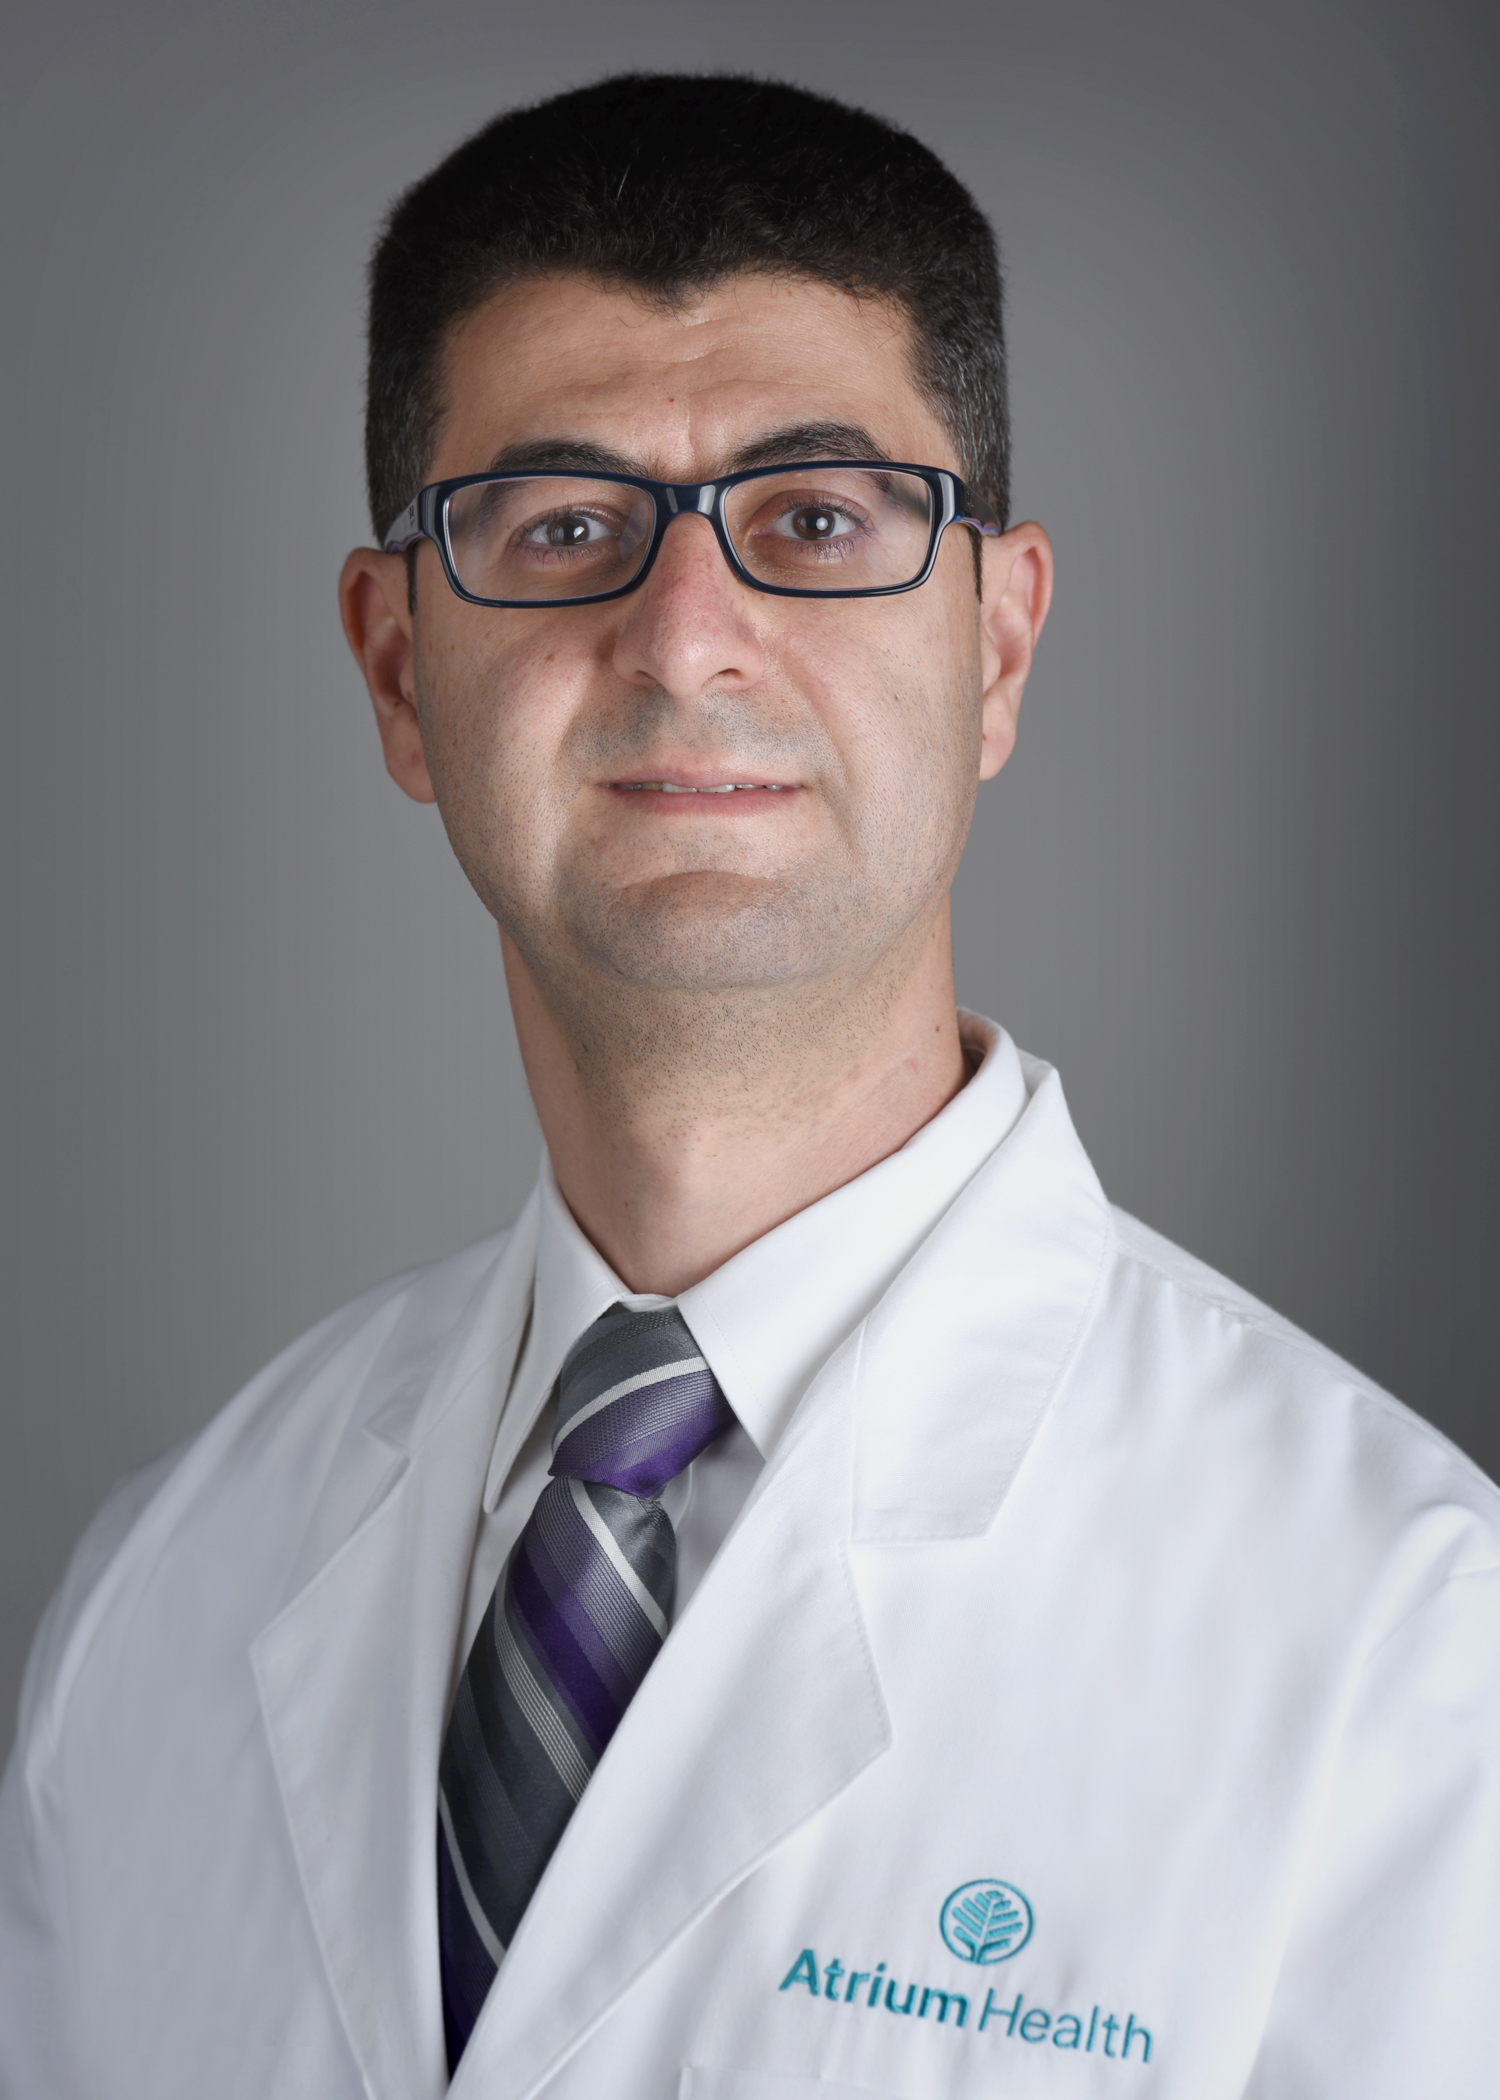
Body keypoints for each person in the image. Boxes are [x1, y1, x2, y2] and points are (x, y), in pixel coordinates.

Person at [1, 69, 1497, 2100]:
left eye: (815, 521)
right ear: (397, 670)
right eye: (562, 527)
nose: (686, 639)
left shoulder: (1413, 1656)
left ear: (996, 645)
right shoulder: (157, 1599)